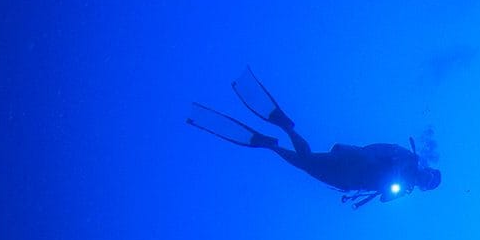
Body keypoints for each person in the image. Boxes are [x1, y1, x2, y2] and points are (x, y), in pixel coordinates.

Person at [188, 68, 440, 207]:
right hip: (356, 162)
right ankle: (286, 128)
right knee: (306, 159)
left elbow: (384, 197)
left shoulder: (406, 188)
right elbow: (381, 148)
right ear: (428, 170)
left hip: (349, 180)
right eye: (429, 178)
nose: (424, 182)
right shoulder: (410, 159)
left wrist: (396, 191)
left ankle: (271, 145)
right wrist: (359, 154)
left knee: (304, 164)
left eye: (427, 186)